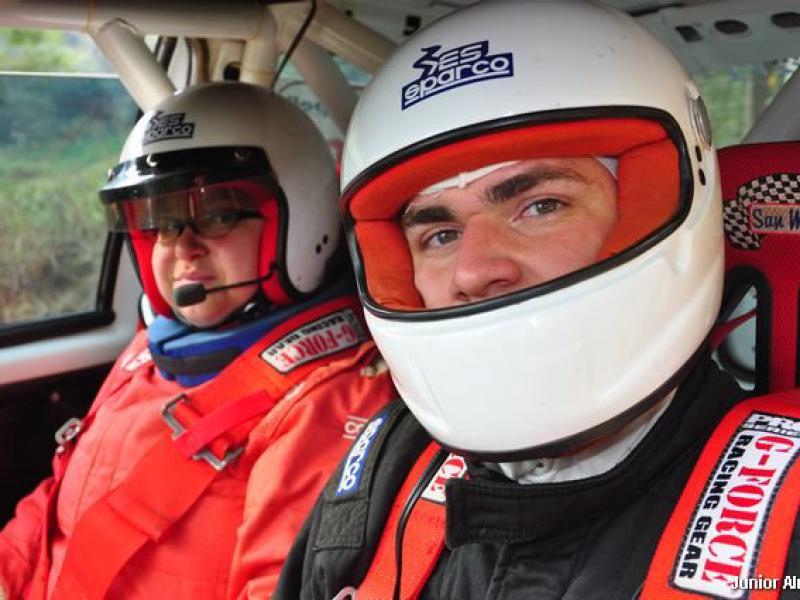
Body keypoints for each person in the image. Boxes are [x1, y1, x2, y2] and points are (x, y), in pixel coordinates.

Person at [274, 1, 800, 598]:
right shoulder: (386, 466)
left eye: (541, 206)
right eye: (440, 234)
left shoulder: (787, 523)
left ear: (656, 206)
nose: (474, 271)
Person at [0, 82, 395, 599]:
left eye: (219, 215)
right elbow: (55, 512)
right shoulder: (149, 350)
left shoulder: (327, 403)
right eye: (162, 225)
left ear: (301, 221)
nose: (183, 248)